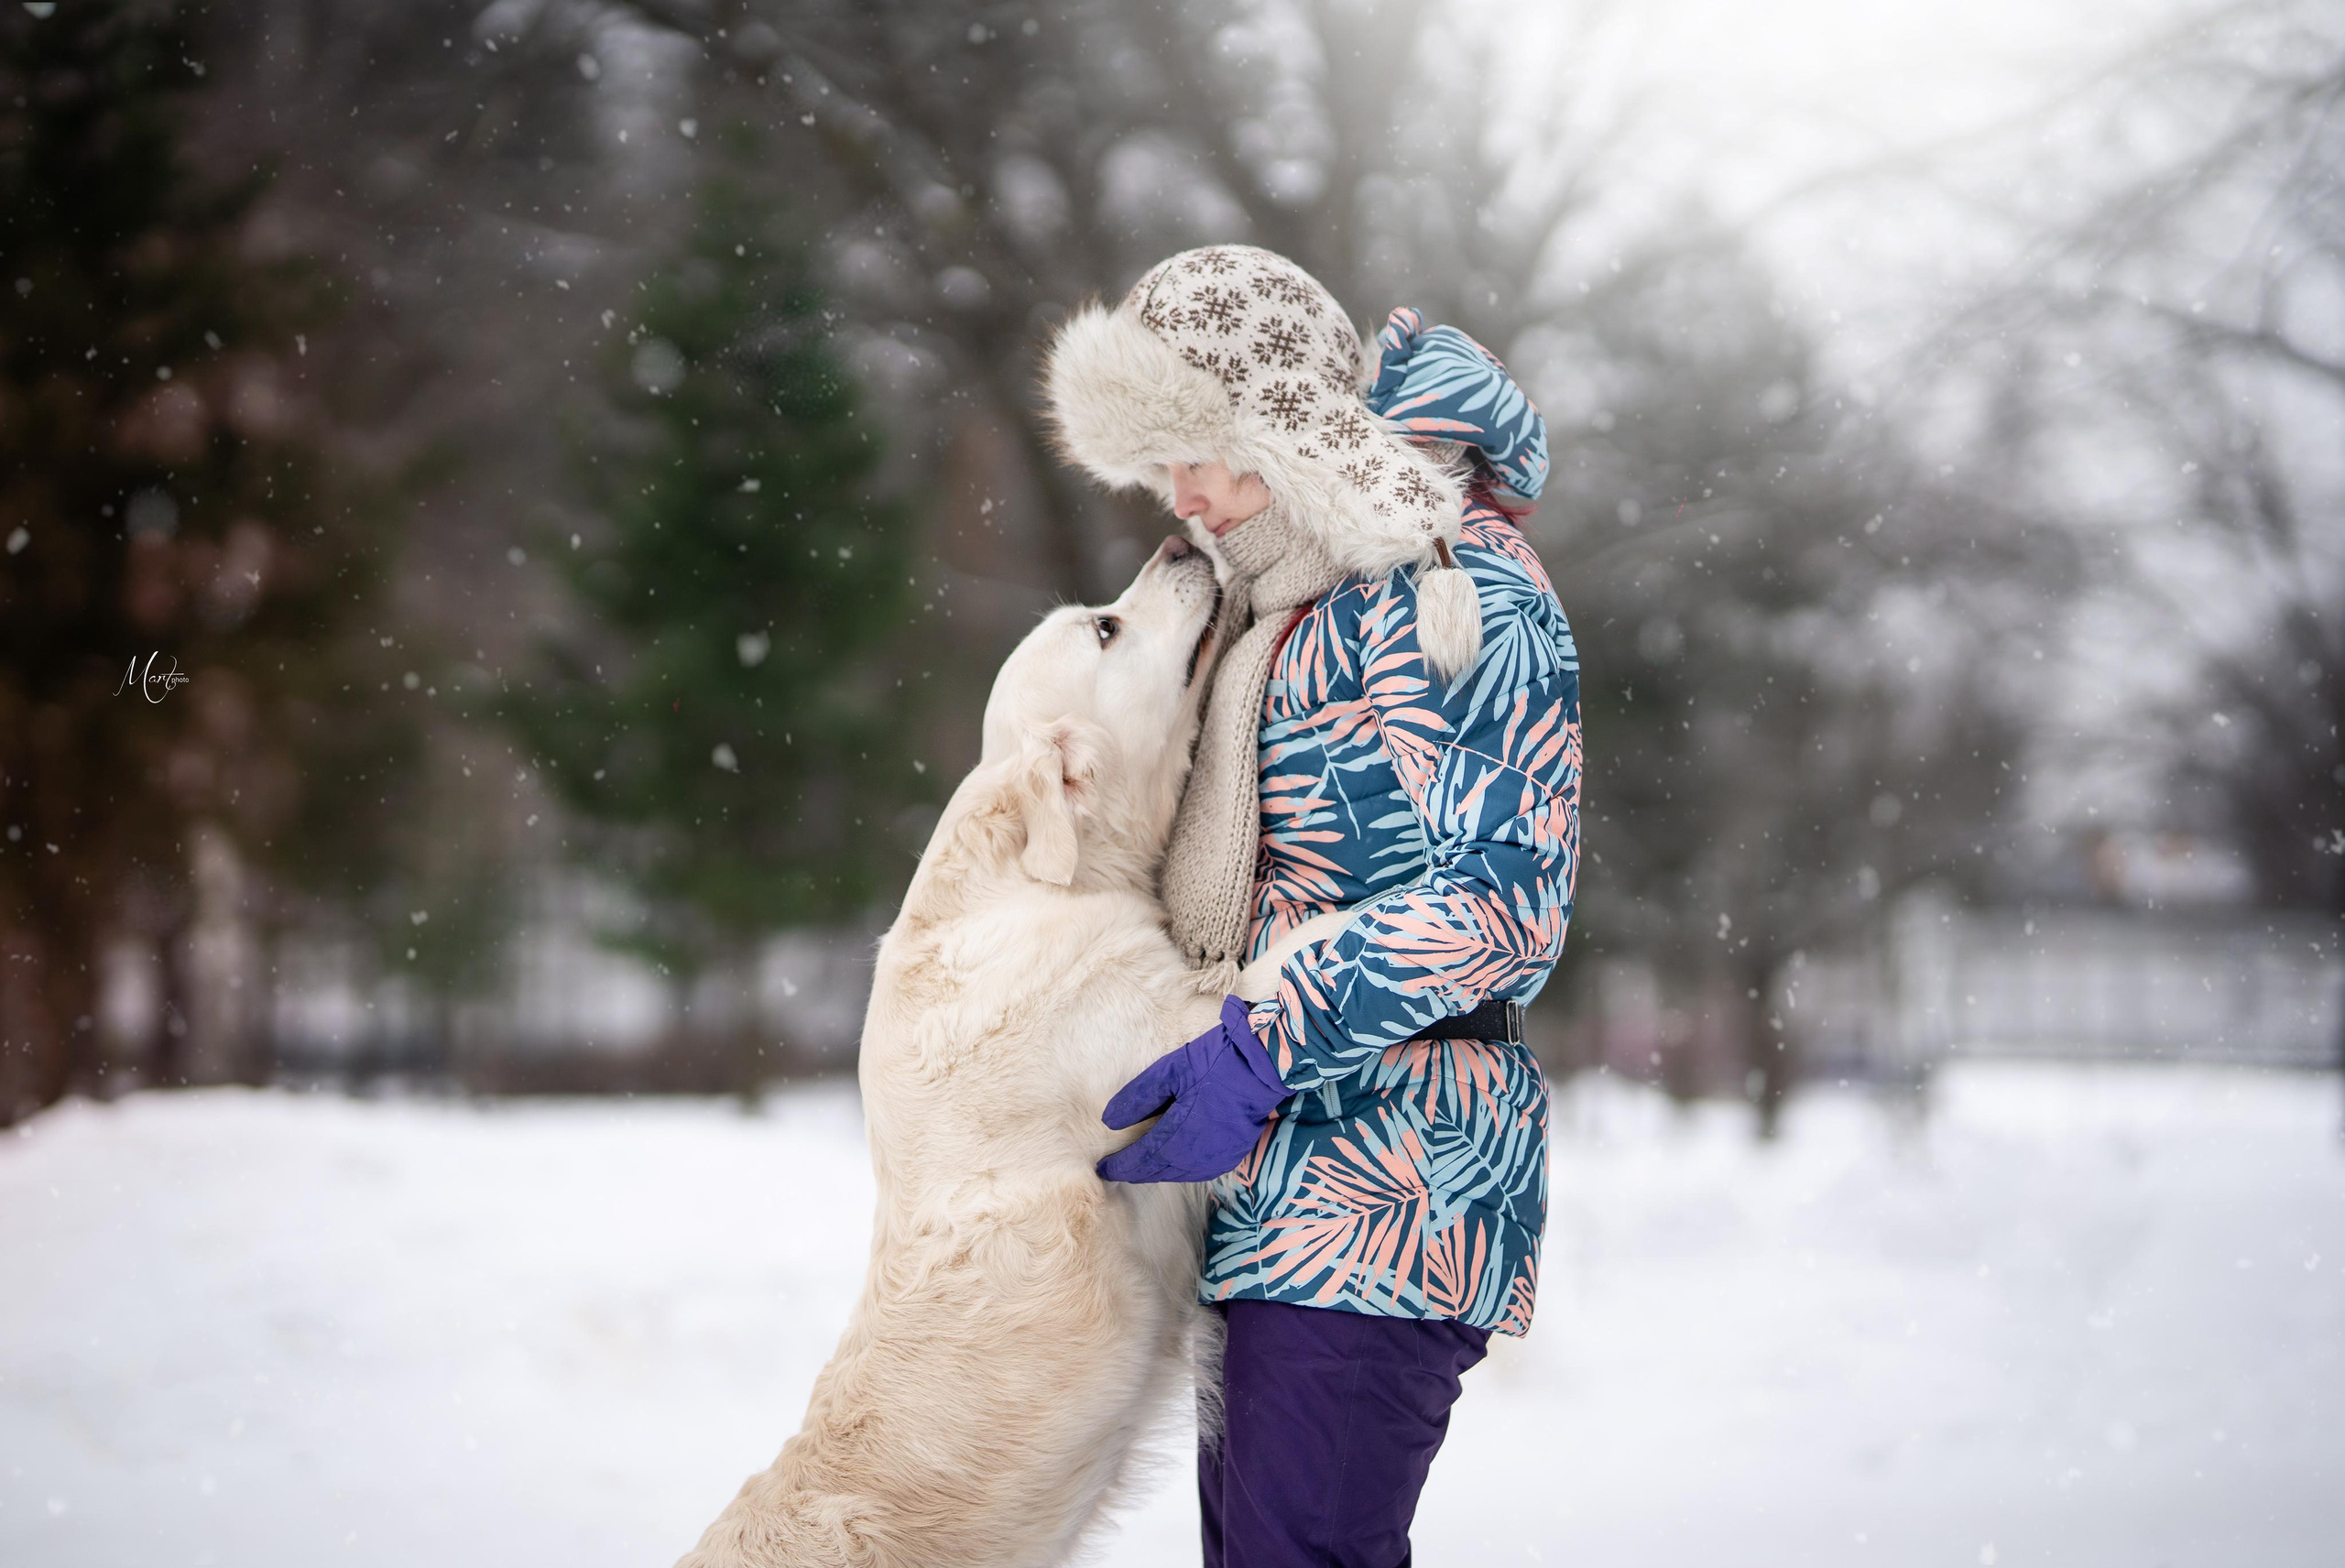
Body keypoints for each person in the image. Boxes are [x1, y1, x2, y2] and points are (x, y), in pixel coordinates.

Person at [1043, 245, 1581, 1567]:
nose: (1184, 495)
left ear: (1283, 424)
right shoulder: (1272, 611)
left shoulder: (1453, 591)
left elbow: (1506, 900)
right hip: (1263, 1190)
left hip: (1395, 1178)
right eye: (1158, 462)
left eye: (1203, 451)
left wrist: (1262, 1036)